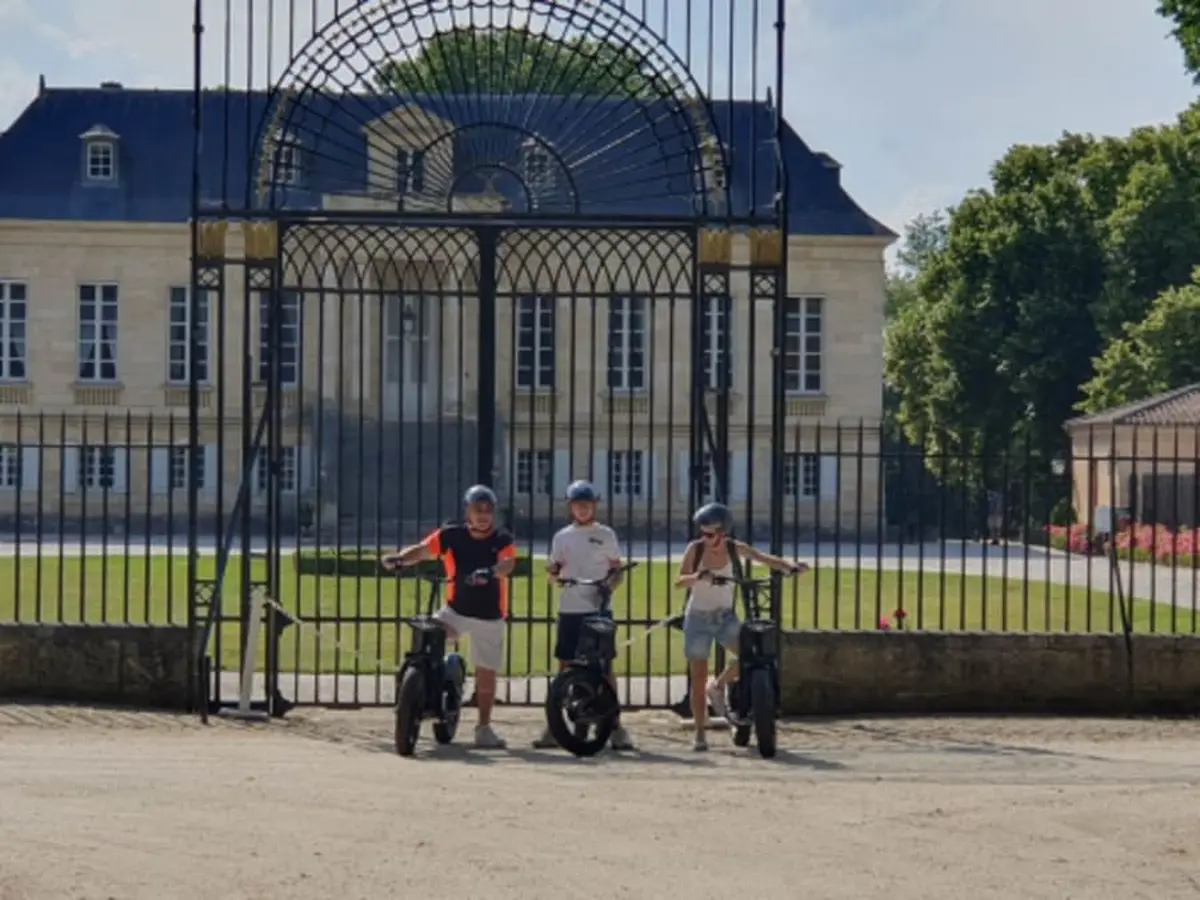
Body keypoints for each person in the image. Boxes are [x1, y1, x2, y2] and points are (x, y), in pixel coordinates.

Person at [381, 484, 516, 750]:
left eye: (488, 510)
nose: (483, 516)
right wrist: (400, 559)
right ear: (468, 511)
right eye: (478, 510)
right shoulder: (451, 535)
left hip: (489, 615)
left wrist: (490, 572)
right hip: (456, 609)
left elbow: (507, 564)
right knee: (428, 636)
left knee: (486, 673)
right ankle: (421, 687)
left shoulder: (502, 539)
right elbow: (422, 550)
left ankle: (484, 728)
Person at [675, 502, 808, 751]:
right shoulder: (695, 549)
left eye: (710, 533)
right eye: (702, 532)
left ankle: (719, 686)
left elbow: (763, 558)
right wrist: (698, 576)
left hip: (725, 616)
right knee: (698, 675)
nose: (705, 537)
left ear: (723, 532)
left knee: (749, 657)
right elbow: (679, 581)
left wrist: (790, 566)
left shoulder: (734, 548)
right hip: (698, 618)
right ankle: (700, 735)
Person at [534, 480, 636, 751]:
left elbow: (617, 570)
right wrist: (553, 575)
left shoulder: (606, 534)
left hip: (598, 607)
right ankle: (555, 725)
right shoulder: (562, 537)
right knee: (565, 665)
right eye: (578, 505)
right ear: (570, 507)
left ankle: (615, 725)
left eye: (587, 504)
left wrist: (609, 585)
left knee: (604, 668)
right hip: (570, 607)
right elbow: (553, 573)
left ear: (595, 506)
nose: (583, 509)